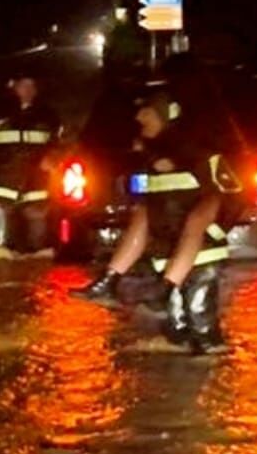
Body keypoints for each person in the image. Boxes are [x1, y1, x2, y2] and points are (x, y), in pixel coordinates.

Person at [69, 89, 235, 352]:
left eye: (146, 111)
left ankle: (209, 364)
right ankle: (109, 283)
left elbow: (218, 203)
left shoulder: (200, 154)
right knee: (177, 333)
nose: (139, 117)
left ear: (165, 115)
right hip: (168, 255)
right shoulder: (152, 156)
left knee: (202, 331)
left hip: (200, 256)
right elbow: (145, 211)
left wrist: (203, 224)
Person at [0, 74, 62, 251]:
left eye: (32, 86)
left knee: (37, 216)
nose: (28, 91)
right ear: (13, 87)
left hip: (36, 180)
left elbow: (60, 144)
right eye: (24, 86)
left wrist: (53, 159)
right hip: (1, 178)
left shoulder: (48, 115)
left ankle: (37, 255)